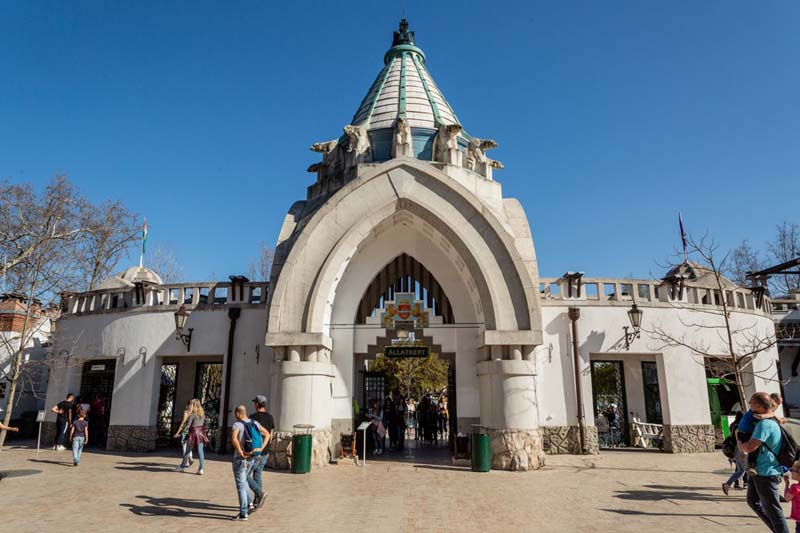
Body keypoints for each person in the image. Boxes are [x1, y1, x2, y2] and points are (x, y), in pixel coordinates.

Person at [740, 392, 790, 533]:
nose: (749, 405)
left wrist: (740, 444)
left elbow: (750, 447)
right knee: (753, 501)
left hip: (767, 473)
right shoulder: (767, 420)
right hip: (761, 471)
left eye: (751, 403)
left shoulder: (765, 424)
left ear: (759, 406)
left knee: (774, 511)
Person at [230, 404, 269, 521]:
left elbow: (234, 438)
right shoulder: (254, 423)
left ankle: (243, 513)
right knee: (245, 479)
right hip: (252, 457)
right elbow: (267, 433)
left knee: (240, 485)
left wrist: (239, 451)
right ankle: (250, 503)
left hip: (240, 458)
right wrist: (261, 448)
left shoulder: (237, 424)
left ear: (237, 413)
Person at [248, 395, 274, 509]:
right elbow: (271, 434)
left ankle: (259, 493)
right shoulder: (270, 417)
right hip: (266, 450)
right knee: (257, 474)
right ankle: (257, 500)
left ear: (257, 404)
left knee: (245, 475)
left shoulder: (252, 417)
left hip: (255, 450)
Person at [174, 399, 208, 475]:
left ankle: (182, 466)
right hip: (201, 433)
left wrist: (181, 433)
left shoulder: (192, 414)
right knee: (200, 451)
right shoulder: (203, 414)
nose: (191, 405)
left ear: (194, 405)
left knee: (187, 451)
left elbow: (188, 426)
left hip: (192, 433)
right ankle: (201, 469)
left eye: (192, 404)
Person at [722, 411, 747, 494]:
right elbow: (738, 440)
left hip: (735, 449)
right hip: (740, 449)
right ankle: (751, 488)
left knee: (740, 471)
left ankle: (728, 484)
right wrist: (742, 452)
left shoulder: (733, 425)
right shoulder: (739, 427)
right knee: (748, 469)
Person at [174, 401, 194, 469]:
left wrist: (177, 432)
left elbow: (183, 422)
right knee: (189, 445)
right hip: (192, 430)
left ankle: (187, 462)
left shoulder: (186, 412)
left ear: (187, 405)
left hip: (185, 430)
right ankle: (190, 458)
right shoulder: (194, 412)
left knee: (184, 446)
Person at [784, 460, 800, 532]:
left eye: (792, 470)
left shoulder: (795, 488)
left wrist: (787, 484)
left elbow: (787, 498)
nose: (790, 472)